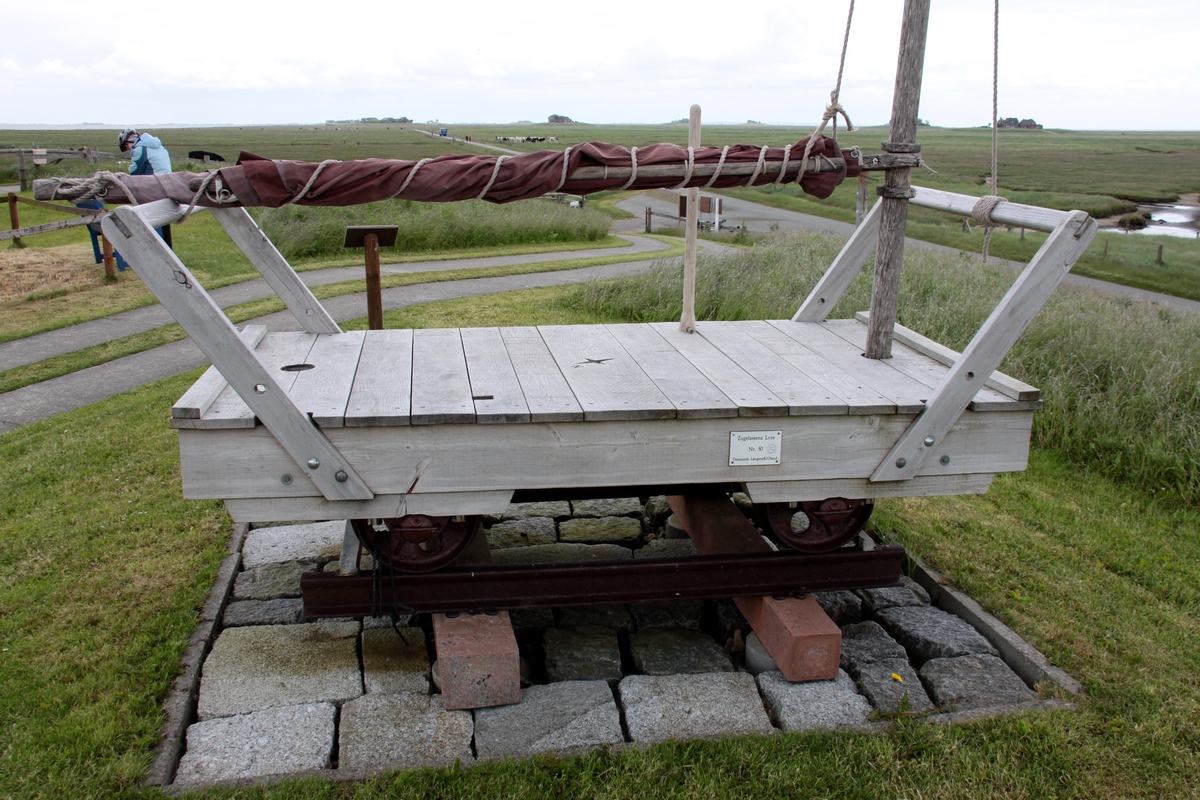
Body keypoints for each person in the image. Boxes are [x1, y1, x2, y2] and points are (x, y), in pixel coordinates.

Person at [117, 129, 174, 247]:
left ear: (129, 141)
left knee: (148, 216)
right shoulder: (158, 146)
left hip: (153, 187)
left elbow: (134, 172)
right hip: (167, 185)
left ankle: (153, 247)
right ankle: (167, 247)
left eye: (126, 146)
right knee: (164, 220)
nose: (128, 150)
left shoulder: (140, 149)